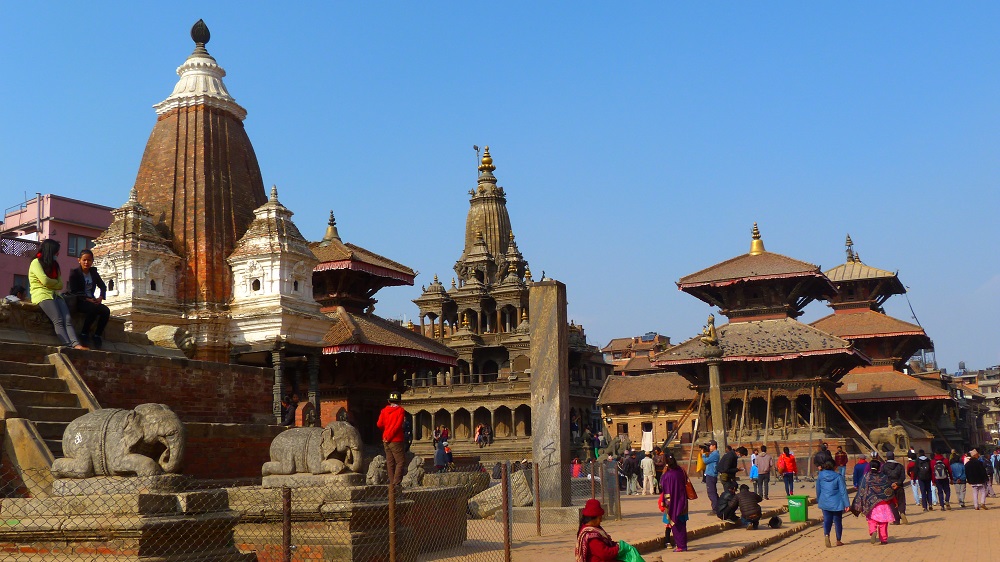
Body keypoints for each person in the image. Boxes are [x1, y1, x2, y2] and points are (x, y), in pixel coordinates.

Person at [29, 239, 87, 350]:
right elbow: (45, 281)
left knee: (68, 319)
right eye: (56, 252)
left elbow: (60, 285)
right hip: (42, 295)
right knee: (58, 319)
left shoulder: (55, 265)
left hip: (55, 295)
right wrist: (53, 283)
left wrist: (52, 284)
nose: (57, 254)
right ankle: (67, 345)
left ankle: (76, 344)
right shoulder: (36, 263)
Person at [67, 249, 110, 349]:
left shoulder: (93, 273)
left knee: (105, 311)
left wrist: (100, 297)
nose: (86, 262)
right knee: (92, 309)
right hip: (80, 301)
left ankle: (97, 335)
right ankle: (84, 333)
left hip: (92, 300)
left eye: (89, 260)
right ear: (79, 260)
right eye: (84, 260)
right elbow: (74, 291)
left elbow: (102, 286)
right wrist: (87, 299)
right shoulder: (74, 273)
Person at [852, 459, 898, 545]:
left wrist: (859, 503)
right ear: (879, 467)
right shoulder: (884, 477)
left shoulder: (866, 477)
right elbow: (889, 491)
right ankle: (883, 539)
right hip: (883, 504)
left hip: (871, 504)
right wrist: (894, 501)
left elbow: (861, 490)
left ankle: (873, 531)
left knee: (872, 520)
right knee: (883, 522)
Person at [658, 453, 690, 552]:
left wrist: (665, 502)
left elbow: (663, 488)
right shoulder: (681, 471)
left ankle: (680, 545)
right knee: (682, 524)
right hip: (682, 501)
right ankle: (683, 545)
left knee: (675, 524)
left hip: (672, 503)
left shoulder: (667, 475)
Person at [816, 460, 850, 547]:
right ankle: (838, 540)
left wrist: (819, 499)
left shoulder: (820, 475)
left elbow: (818, 489)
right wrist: (847, 504)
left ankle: (826, 534)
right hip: (837, 502)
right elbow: (843, 491)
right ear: (834, 467)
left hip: (825, 501)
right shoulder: (838, 477)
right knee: (837, 521)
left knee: (827, 520)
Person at [376, 391, 407, 488]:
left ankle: (391, 482)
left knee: (390, 462)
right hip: (396, 439)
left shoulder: (384, 410)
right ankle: (396, 482)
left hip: (385, 439)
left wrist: (386, 433)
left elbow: (379, 424)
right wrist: (390, 435)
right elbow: (398, 426)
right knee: (400, 461)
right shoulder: (400, 411)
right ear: (399, 401)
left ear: (389, 401)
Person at [881, 452, 908, 524]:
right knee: (901, 501)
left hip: (889, 488)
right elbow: (903, 477)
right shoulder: (900, 466)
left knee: (892, 502)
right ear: (894, 457)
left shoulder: (884, 467)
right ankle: (902, 512)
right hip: (899, 486)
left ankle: (896, 519)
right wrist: (898, 483)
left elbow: (883, 478)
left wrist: (891, 484)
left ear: (887, 457)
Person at [702, 441, 720, 511]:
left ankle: (715, 508)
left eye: (710, 446)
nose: (709, 447)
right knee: (713, 492)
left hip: (711, 474)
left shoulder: (715, 454)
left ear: (714, 446)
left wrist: (703, 455)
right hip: (710, 474)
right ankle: (718, 506)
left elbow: (706, 461)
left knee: (711, 492)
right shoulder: (713, 454)